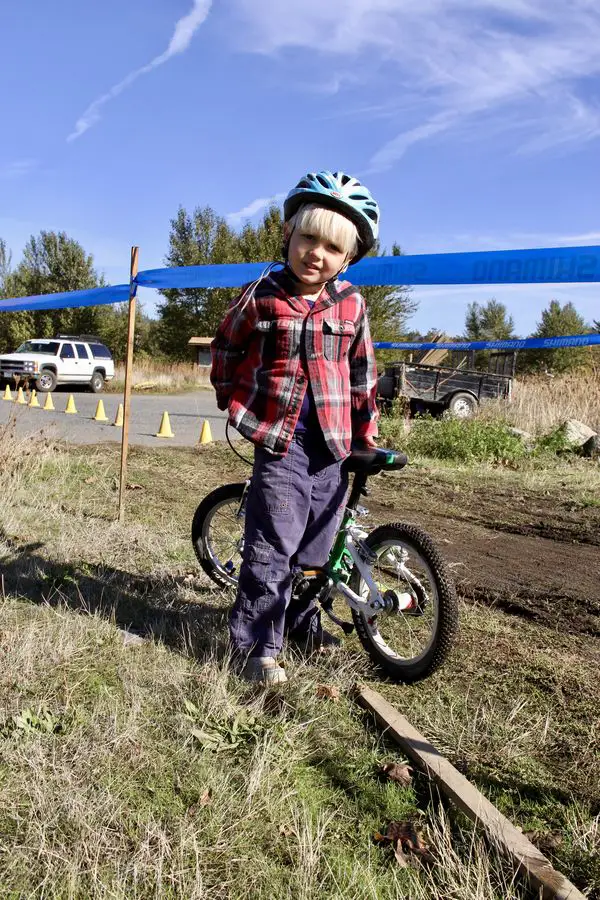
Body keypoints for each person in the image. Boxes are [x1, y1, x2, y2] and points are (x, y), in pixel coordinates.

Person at [210, 170, 380, 684]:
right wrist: (233, 399)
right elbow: (225, 348)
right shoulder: (260, 294)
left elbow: (362, 373)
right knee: (272, 545)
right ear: (288, 235)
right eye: (308, 237)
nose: (316, 253)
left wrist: (366, 433)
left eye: (331, 246)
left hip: (333, 444)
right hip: (280, 442)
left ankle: (301, 625)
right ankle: (257, 648)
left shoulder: (351, 304)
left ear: (347, 258)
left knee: (315, 550)